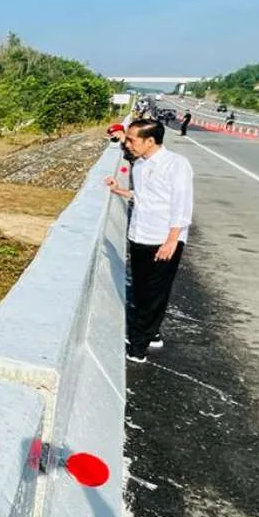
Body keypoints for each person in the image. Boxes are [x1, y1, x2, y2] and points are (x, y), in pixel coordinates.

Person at [104, 119, 194, 363]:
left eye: (132, 139)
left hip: (162, 240)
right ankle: (151, 334)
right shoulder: (140, 165)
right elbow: (144, 197)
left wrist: (172, 241)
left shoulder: (176, 165)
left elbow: (182, 206)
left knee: (154, 293)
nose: (128, 143)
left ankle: (138, 349)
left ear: (150, 140)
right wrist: (119, 190)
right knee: (142, 290)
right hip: (139, 236)